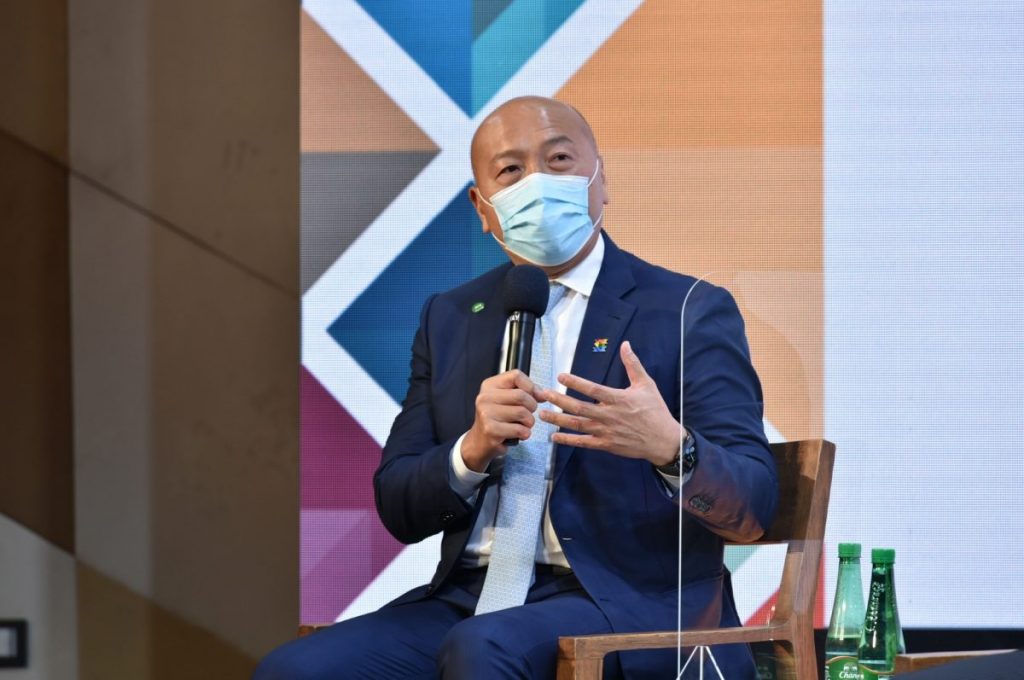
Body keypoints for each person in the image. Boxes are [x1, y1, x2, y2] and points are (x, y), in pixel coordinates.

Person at [254, 96, 778, 680]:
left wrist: (669, 448)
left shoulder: (686, 308)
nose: (538, 182)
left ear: (601, 180)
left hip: (631, 603)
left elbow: (754, 505)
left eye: (559, 160)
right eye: (511, 170)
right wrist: (470, 451)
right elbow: (399, 505)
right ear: (482, 207)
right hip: (471, 599)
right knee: (294, 670)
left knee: (482, 649)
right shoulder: (451, 317)